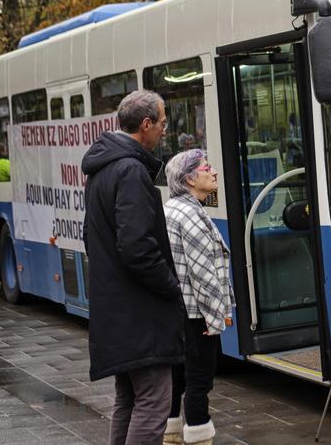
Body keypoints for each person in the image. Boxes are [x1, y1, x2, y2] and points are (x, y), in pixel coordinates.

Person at [81, 90, 186, 445]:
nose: (164, 131)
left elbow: (90, 238)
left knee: (129, 399)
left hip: (115, 311)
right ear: (145, 124)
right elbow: (137, 247)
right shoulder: (131, 171)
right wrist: (172, 285)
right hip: (140, 316)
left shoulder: (102, 169)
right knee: (155, 402)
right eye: (162, 123)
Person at [163, 149, 234, 445]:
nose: (214, 172)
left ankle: (170, 435)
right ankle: (199, 437)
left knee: (175, 379)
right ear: (190, 178)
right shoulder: (191, 215)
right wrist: (216, 316)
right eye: (207, 168)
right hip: (196, 316)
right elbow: (203, 274)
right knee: (198, 382)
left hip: (177, 312)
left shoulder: (171, 208)